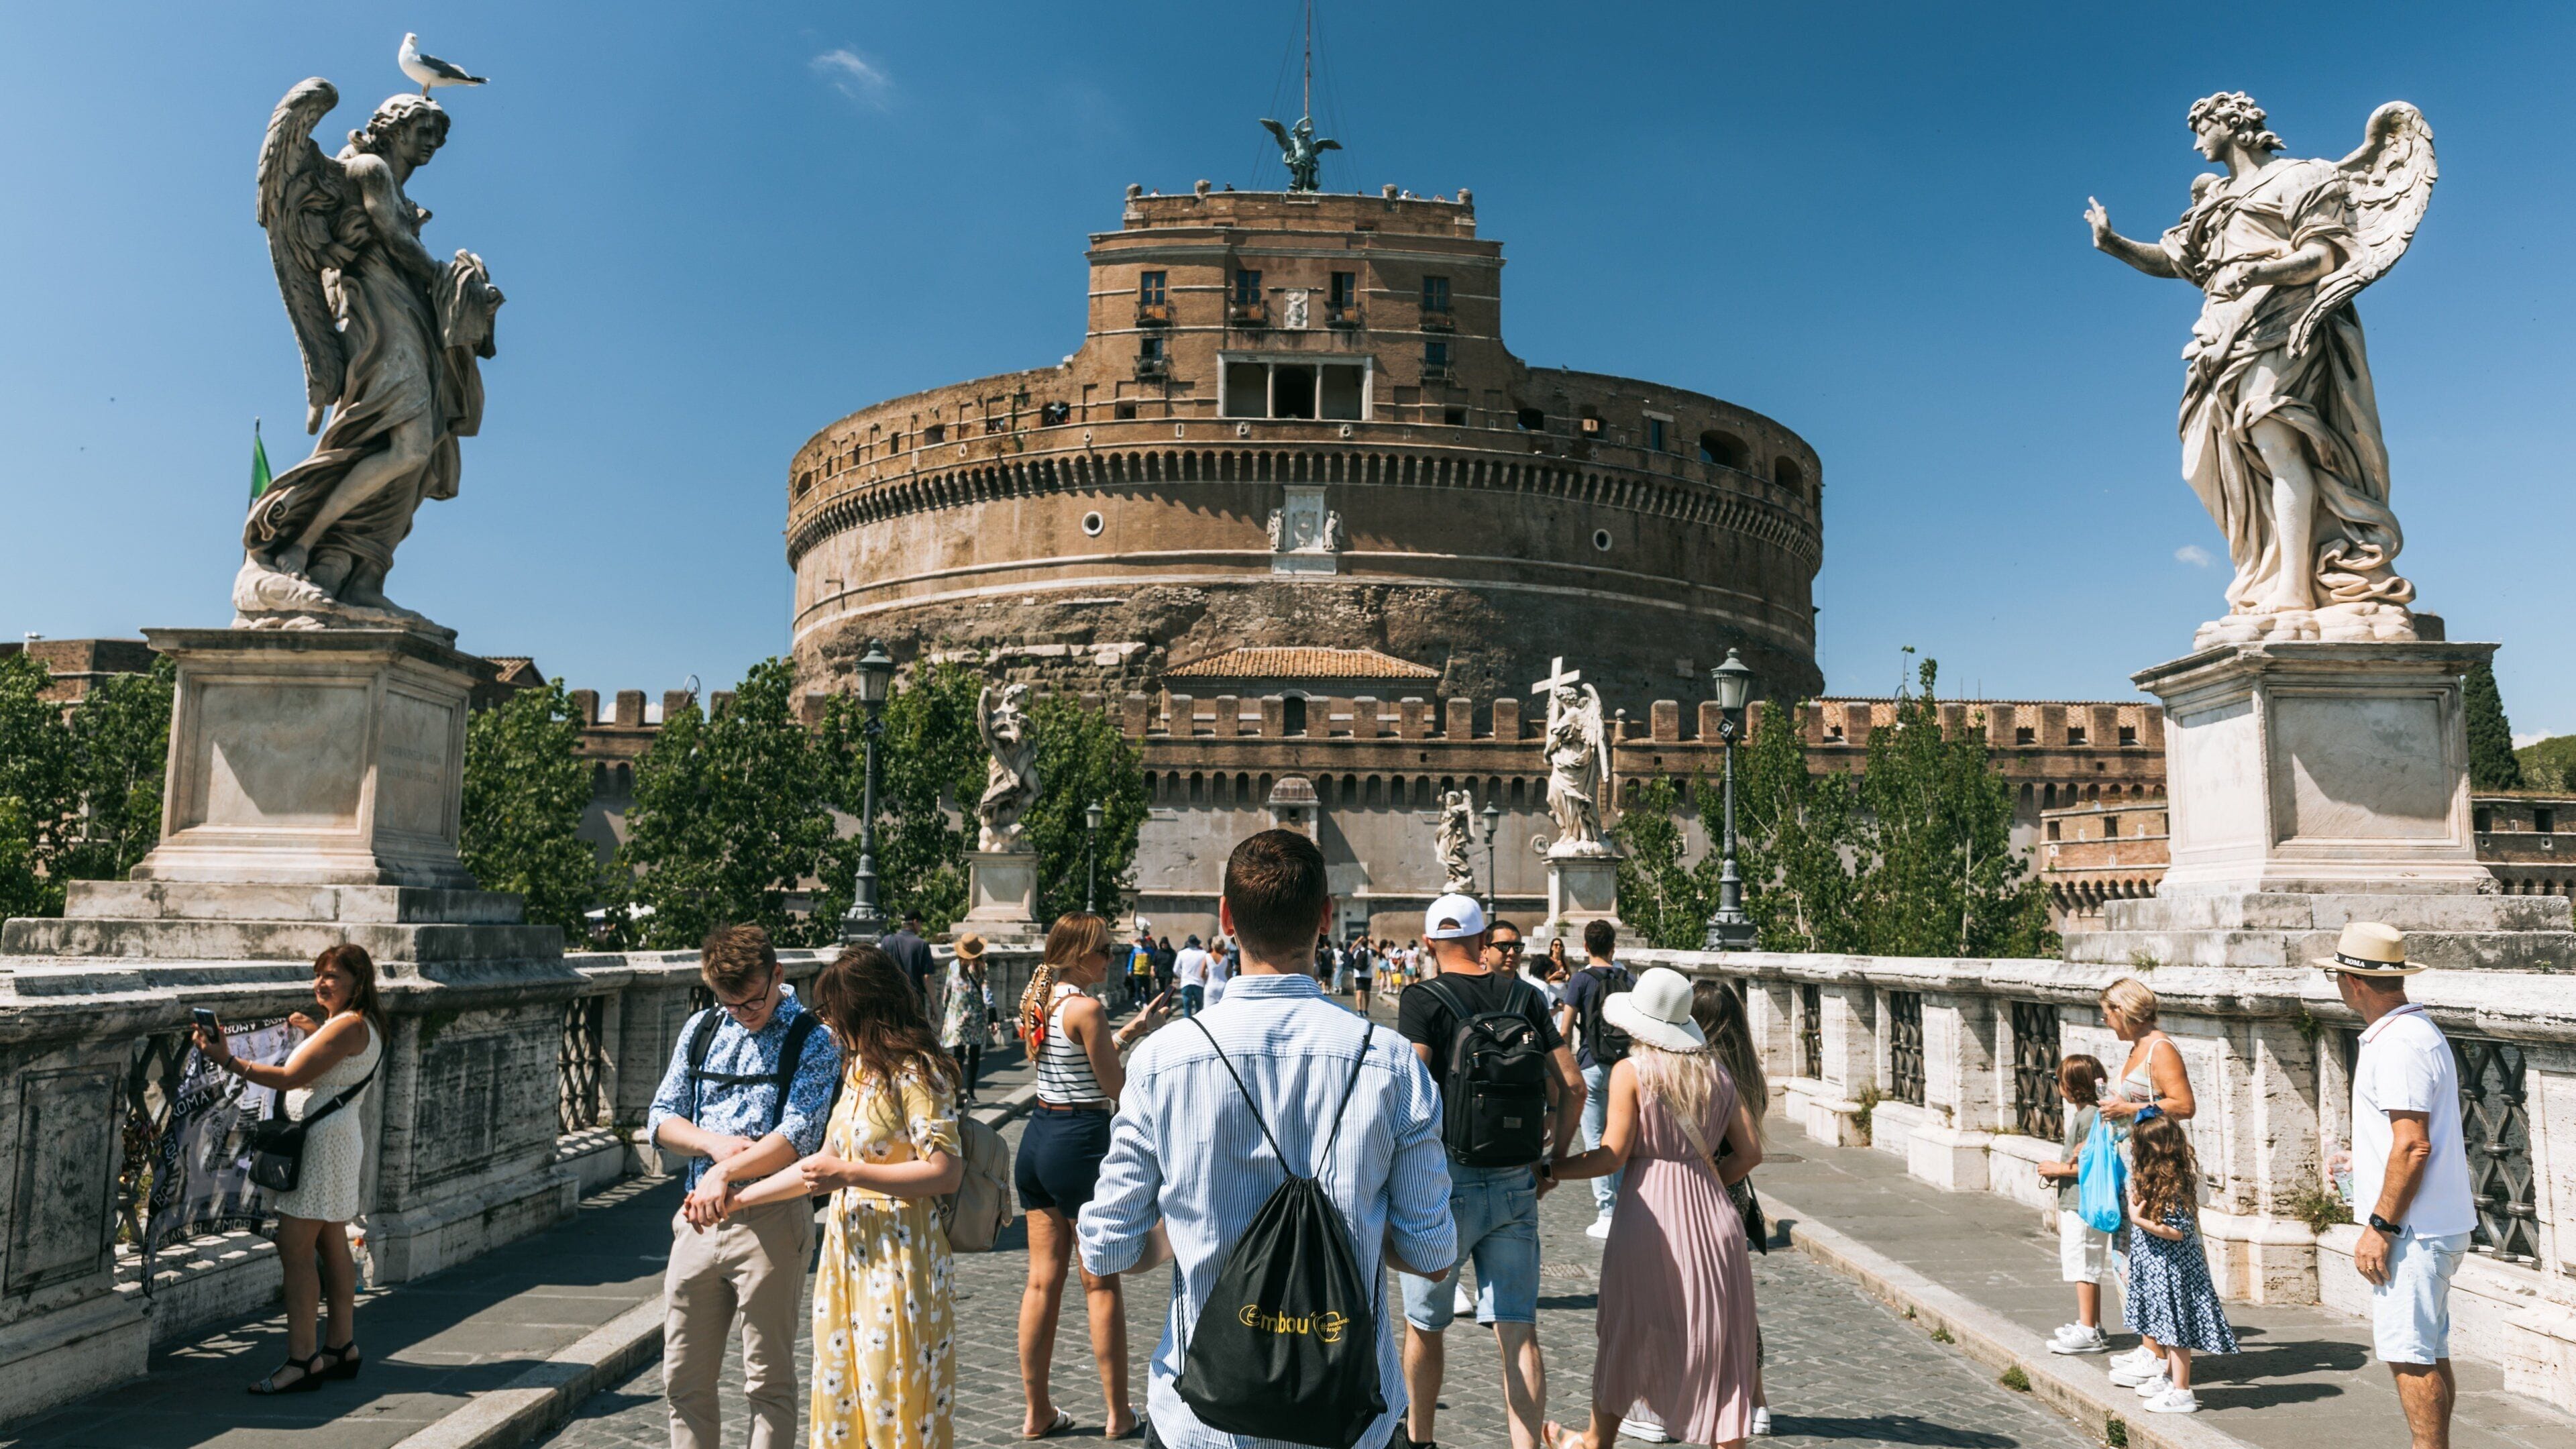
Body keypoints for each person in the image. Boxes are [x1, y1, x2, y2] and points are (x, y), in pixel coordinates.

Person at [1078, 829, 1455, 1449]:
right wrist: (1356, 1231)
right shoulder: (1391, 1063)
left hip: (1200, 1419)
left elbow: (1107, 1249)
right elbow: (1433, 1254)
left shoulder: (1162, 1060)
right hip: (1348, 1416)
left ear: (1226, 919)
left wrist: (1186, 1231)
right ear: (1325, 918)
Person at [719, 945, 964, 1449]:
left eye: (833, 1011)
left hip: (900, 1256)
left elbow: (945, 1171)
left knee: (892, 1392)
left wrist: (851, 1173)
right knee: (845, 1392)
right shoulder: (858, 1072)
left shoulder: (918, 1072)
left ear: (863, 1008)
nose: (827, 1023)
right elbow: (819, 1169)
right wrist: (739, 1199)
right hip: (848, 1253)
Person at [1542, 967, 1761, 1449]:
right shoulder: (1717, 1072)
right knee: (1717, 1340)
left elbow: (1611, 1156)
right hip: (1715, 1219)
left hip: (1649, 1216)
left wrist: (1552, 1170)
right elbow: (1750, 1154)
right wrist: (1705, 1184)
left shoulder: (1632, 1071)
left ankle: (1596, 1441)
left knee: (1630, 1330)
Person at [1398, 894, 1585, 1449]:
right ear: (1484, 941)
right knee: (1519, 1331)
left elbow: (1411, 1091)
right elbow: (1574, 1086)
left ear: (1428, 943)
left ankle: (1421, 1441)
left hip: (1441, 1187)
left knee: (1426, 1327)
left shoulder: (1422, 998)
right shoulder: (1525, 996)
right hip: (1514, 1181)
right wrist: (1551, 1163)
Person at [647, 925, 843, 1449]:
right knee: (683, 1379)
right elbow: (661, 1117)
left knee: (767, 1382)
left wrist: (726, 1173)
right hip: (698, 1221)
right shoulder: (703, 1028)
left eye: (753, 1000)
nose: (744, 1013)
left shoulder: (814, 1039)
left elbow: (799, 1136)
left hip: (771, 1222)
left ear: (777, 975)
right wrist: (713, 1147)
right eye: (730, 1003)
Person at [192, 943, 388, 1394]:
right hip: (337, 1143)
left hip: (320, 1148)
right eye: (318, 975)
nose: (321, 983)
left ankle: (302, 1361)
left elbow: (289, 1078)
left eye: (332, 976)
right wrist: (316, 1030)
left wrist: (227, 1059)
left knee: (294, 1250)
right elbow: (335, 1065)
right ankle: (341, 1347)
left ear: (358, 982)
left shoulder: (348, 1026)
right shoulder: (359, 1023)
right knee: (332, 1243)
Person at [1016, 914, 1175, 1440]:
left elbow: (1075, 1062)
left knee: (1042, 1281)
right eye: (1104, 950)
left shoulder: (1039, 999)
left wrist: (1132, 1031)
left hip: (1038, 1138)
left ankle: (1036, 1411)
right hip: (1080, 1142)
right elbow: (1115, 1087)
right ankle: (1118, 1413)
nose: (1111, 958)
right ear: (1078, 954)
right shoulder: (1087, 1008)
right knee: (1100, 1281)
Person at [2320, 923, 2477, 1449]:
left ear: (2353, 982)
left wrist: (2379, 1227)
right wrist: (2362, 1161)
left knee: (2409, 1356)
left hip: (2413, 1230)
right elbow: (2407, 1139)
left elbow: (2413, 1146)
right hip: (2431, 1223)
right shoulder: (2413, 1032)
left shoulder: (2398, 1043)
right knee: (2427, 1351)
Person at [2094, 977, 2200, 1397]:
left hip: (2155, 1166)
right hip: (2131, 1161)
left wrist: (2129, 1106)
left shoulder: (2160, 1049)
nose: (2106, 1022)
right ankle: (2149, 1346)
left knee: (2151, 1253)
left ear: (2124, 1011)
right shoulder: (2136, 1048)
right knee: (2130, 1253)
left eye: (2107, 1014)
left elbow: (2185, 1105)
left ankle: (2158, 1354)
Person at [2118, 1111, 2237, 1414]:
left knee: (2175, 1330)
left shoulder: (2174, 1183)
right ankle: (2170, 1378)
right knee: (2163, 1325)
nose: (2133, 1148)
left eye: (2137, 1144)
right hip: (2157, 1266)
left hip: (2173, 1269)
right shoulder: (2155, 1179)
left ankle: (2182, 1391)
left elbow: (2177, 1231)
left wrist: (2138, 1220)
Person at [1554, 920, 1632, 1240]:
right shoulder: (1628, 979)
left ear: (1585, 946)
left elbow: (1565, 1030)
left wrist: (1562, 1070)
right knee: (1622, 1139)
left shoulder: (1581, 980)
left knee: (1594, 1139)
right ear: (1614, 946)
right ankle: (1625, 1208)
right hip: (1624, 1068)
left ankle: (1606, 1212)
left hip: (1591, 1064)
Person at [2039, 1055, 2116, 1357]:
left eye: (2060, 1080)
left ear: (2072, 1085)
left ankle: (2088, 1332)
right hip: (2080, 1202)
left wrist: (2057, 1169)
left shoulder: (2089, 1117)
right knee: (2083, 1264)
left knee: (2083, 1266)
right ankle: (2092, 1324)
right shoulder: (2089, 1114)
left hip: (2084, 1203)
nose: (2058, 1086)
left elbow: (2096, 1163)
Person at [941, 933, 994, 1106]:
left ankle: (956, 1091)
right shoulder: (981, 967)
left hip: (958, 1016)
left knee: (958, 1055)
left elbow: (947, 991)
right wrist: (993, 1017)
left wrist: (946, 1008)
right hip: (976, 1017)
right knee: (974, 1054)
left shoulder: (953, 966)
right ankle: (971, 1092)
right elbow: (987, 993)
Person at [879, 910, 938, 1011]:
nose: (921, 927)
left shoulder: (886, 941)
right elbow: (927, 977)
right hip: (914, 1000)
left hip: (891, 999)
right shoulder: (921, 944)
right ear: (915, 922)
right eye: (921, 923)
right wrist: (934, 1006)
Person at [1173, 934, 1214, 1016]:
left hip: (1186, 983)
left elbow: (1175, 970)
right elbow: (1207, 970)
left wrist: (1182, 975)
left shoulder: (1182, 953)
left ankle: (1187, 1023)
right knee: (1199, 1010)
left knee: (1187, 1009)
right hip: (1199, 983)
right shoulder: (1203, 953)